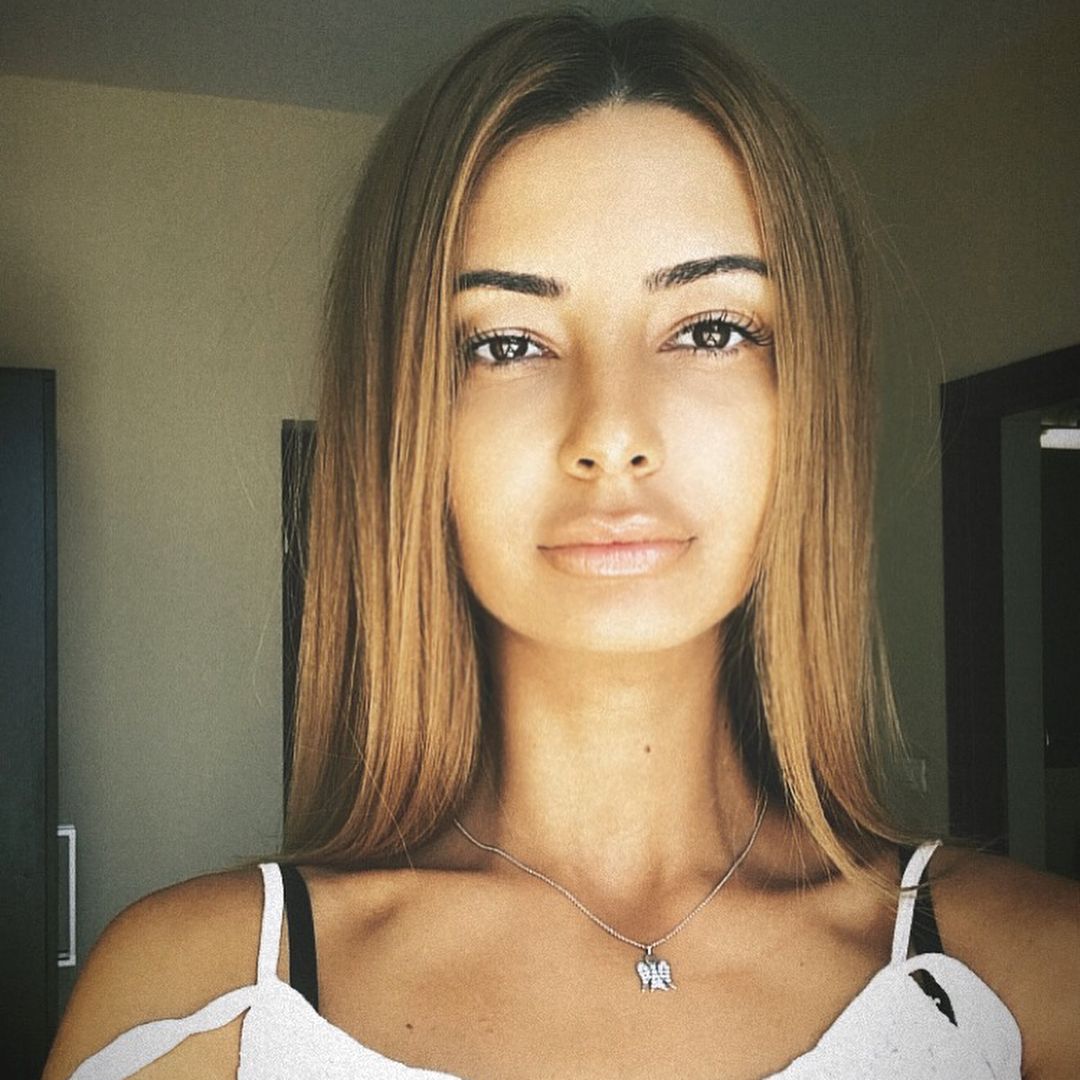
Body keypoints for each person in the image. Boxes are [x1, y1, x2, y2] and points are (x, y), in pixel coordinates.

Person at [45, 10, 1077, 1080]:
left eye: (711, 330)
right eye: (506, 343)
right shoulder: (193, 1003)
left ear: (811, 397)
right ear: (410, 421)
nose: (611, 433)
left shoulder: (1037, 986)